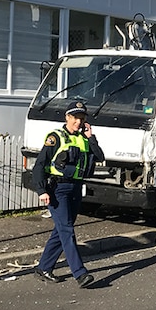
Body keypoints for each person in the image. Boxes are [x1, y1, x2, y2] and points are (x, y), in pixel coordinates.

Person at [31, 101, 105, 287]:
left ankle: (43, 268)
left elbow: (100, 156)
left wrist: (91, 137)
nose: (78, 122)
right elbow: (40, 164)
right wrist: (41, 190)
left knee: (61, 230)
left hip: (75, 188)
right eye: (75, 118)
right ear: (67, 118)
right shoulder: (55, 137)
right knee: (67, 231)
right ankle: (80, 273)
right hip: (57, 189)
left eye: (82, 118)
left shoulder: (83, 139)